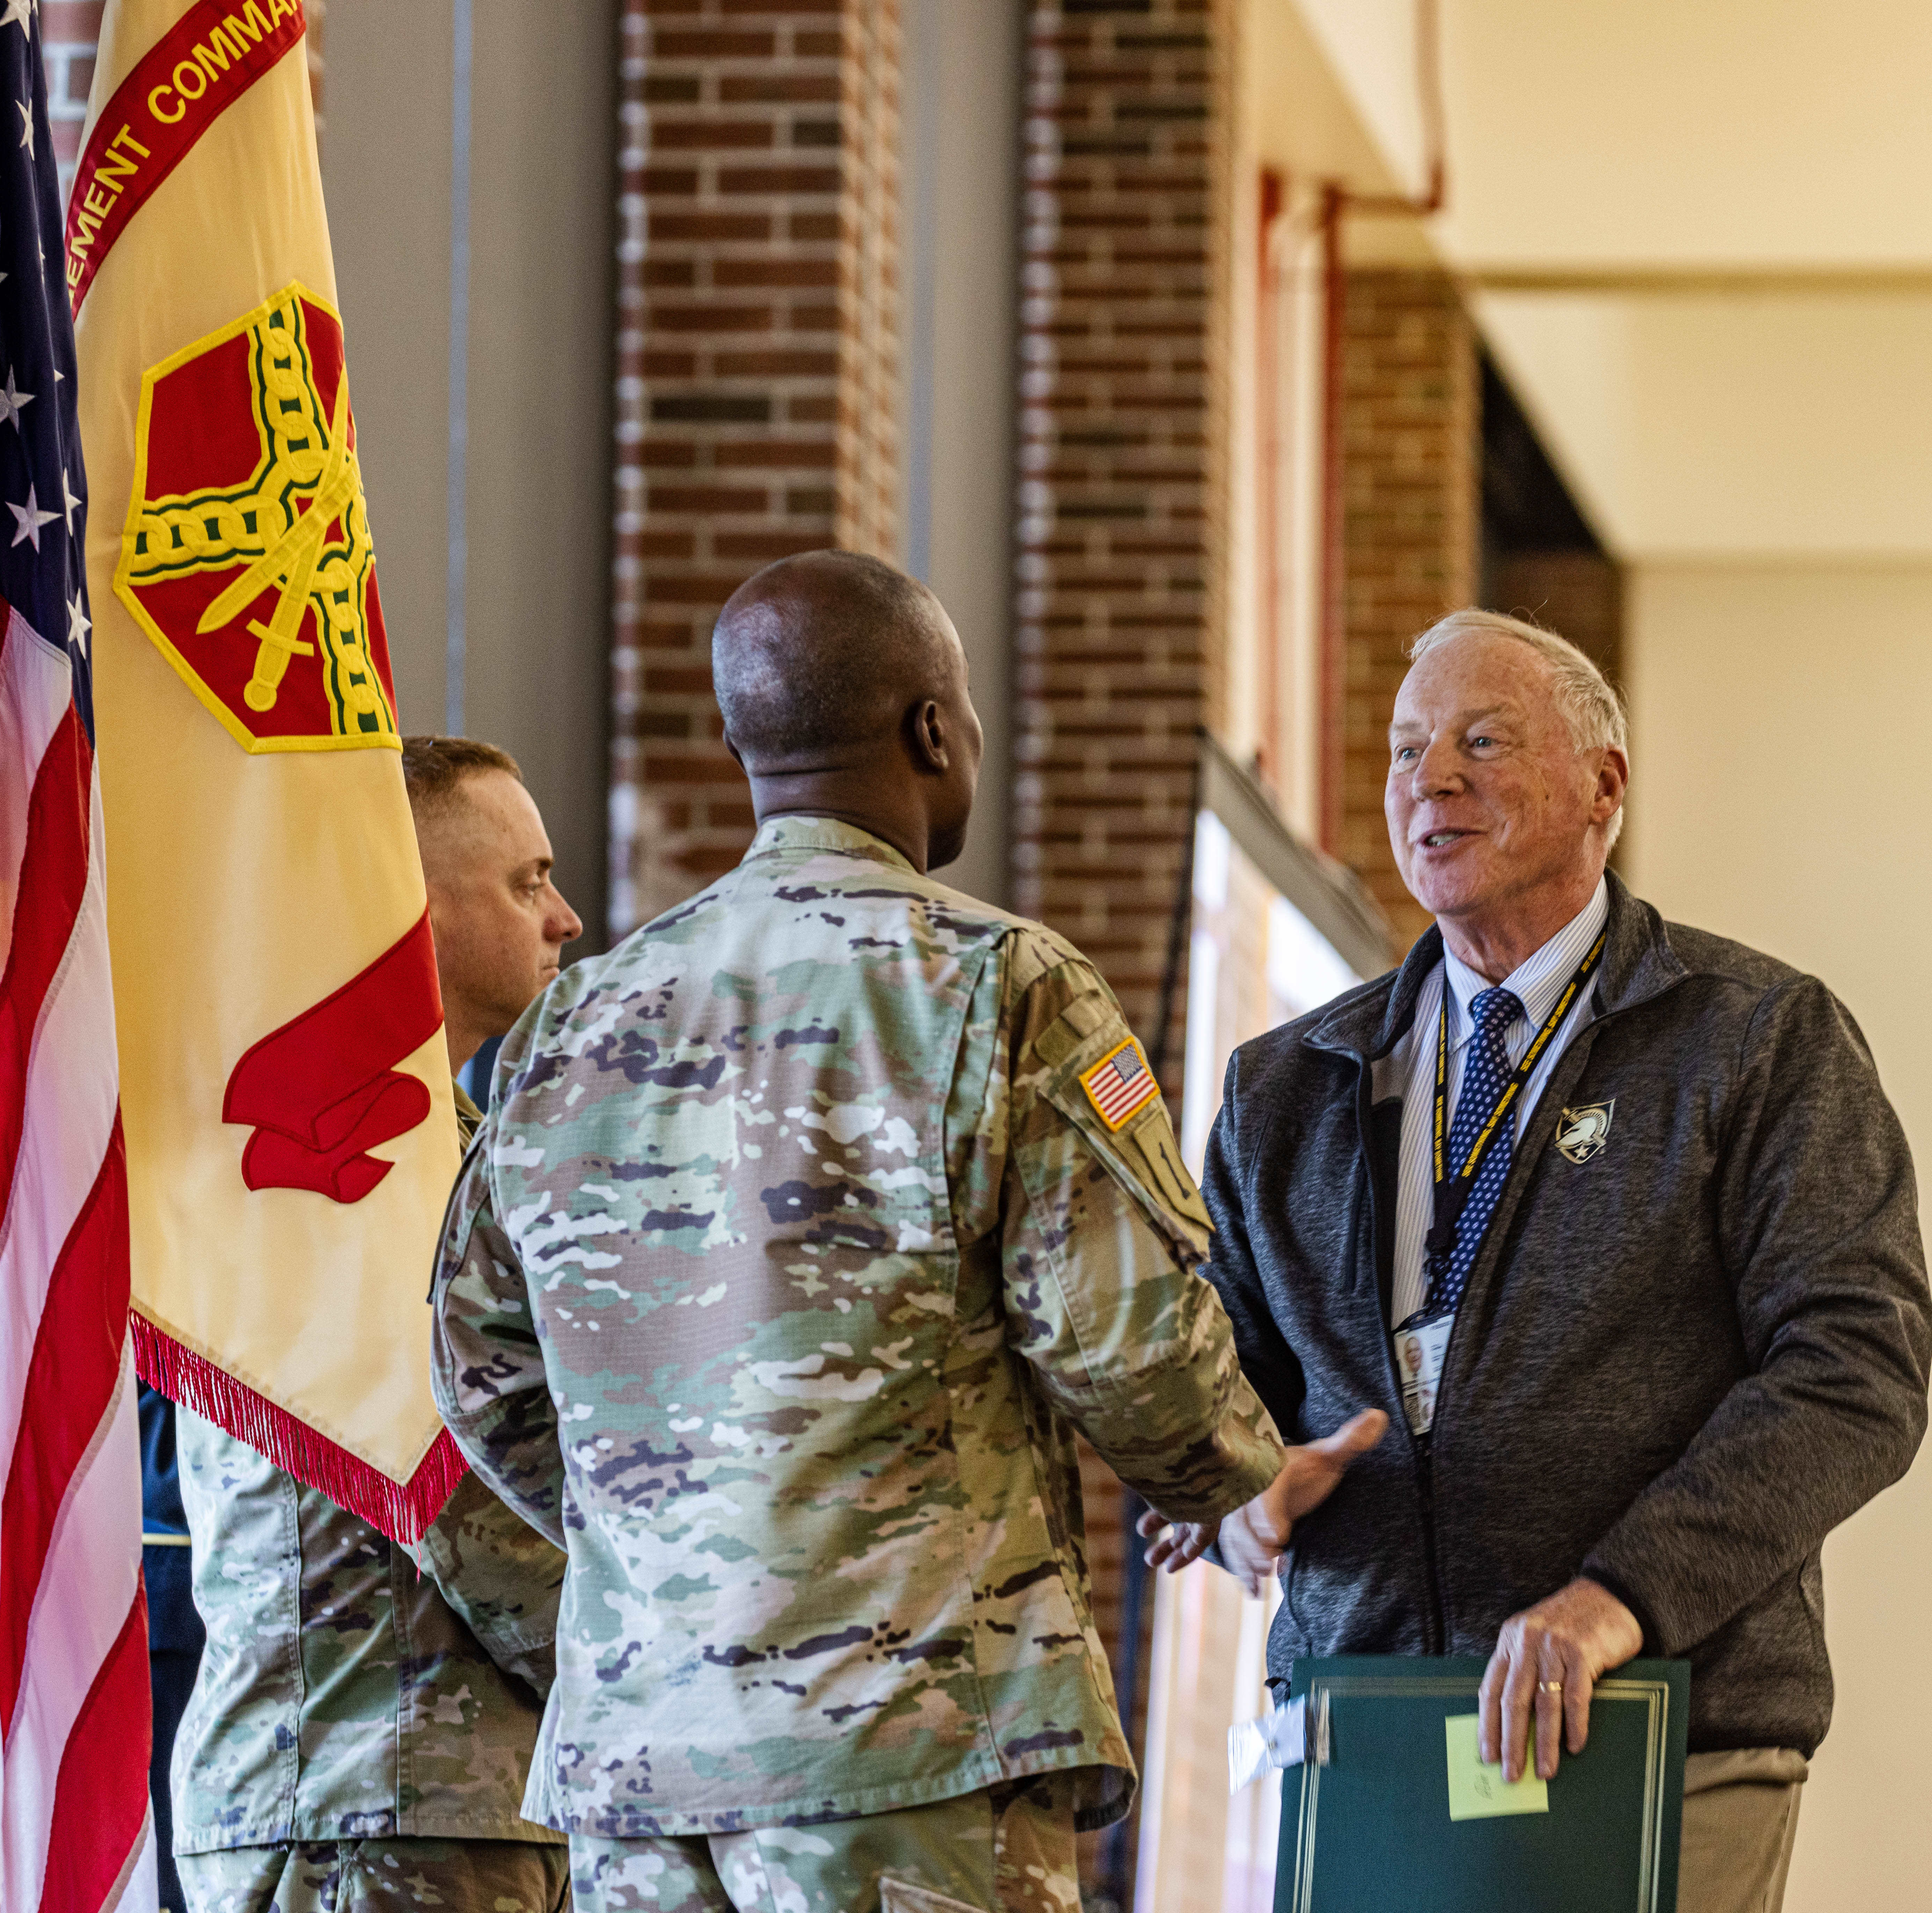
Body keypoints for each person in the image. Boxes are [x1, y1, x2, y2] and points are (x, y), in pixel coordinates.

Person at [430, 550, 1383, 1913]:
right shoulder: (1002, 986)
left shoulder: (574, 1025)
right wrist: (1237, 1476)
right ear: (933, 731)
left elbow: (478, 1367)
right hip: (911, 1752)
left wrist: (659, 1523)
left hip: (641, 1769)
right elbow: (1118, 1336)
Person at [1145, 610, 1932, 1913]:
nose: (1429, 780)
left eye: (1483, 741)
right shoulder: (1285, 1085)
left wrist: (1620, 1597)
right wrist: (1232, 1487)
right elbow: (1215, 1377)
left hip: (1663, 1717)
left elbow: (1858, 1372)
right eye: (1406, 751)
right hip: (1369, 1728)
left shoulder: (1755, 1043)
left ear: (1603, 787)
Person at [171, 736, 588, 1913]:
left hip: (415, 1792)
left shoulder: (416, 1140)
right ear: (412, 904)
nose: (564, 917)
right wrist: (670, 1660)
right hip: (372, 1804)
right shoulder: (350, 1158)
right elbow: (457, 1490)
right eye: (526, 880)